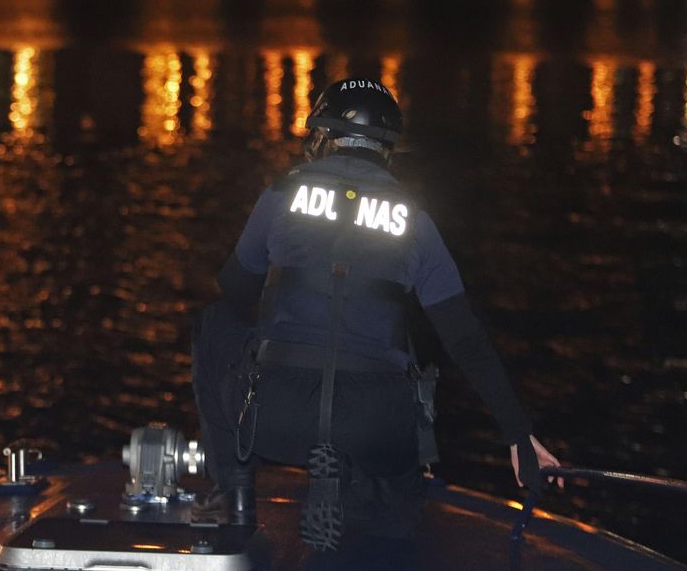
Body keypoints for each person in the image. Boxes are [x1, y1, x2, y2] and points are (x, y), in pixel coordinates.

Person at [191, 77, 561, 556]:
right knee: (397, 384)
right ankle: (369, 506)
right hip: (373, 424)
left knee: (214, 323)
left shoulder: (282, 195)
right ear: (388, 148)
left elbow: (233, 290)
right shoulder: (415, 219)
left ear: (322, 135)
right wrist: (519, 434)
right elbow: (465, 339)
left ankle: (235, 499)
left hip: (274, 417)